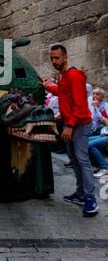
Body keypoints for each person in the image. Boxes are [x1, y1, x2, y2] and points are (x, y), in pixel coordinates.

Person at [43, 44, 99, 216]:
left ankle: (90, 198)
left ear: (65, 57)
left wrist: (69, 125)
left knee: (82, 160)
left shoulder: (74, 75)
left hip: (79, 125)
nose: (54, 61)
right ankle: (80, 192)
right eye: (52, 58)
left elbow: (81, 106)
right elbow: (62, 92)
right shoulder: (62, 76)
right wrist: (46, 86)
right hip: (70, 123)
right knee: (74, 160)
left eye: (57, 58)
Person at [88, 87, 108, 178]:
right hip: (94, 130)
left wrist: (96, 108)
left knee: (90, 145)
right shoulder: (91, 104)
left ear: (102, 96)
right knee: (86, 142)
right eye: (93, 93)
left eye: (97, 94)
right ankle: (99, 166)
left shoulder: (105, 105)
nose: (94, 96)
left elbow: (104, 121)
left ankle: (104, 168)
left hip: (103, 132)